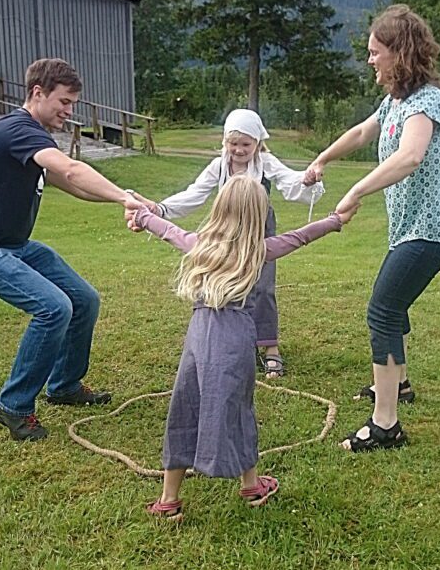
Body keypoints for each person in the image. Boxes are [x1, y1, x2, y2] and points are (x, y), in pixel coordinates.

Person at [126, 175, 354, 521]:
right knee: (236, 410)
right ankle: (251, 485)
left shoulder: (200, 244)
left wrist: (142, 215)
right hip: (234, 339)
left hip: (198, 337)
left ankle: (169, 499)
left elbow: (167, 230)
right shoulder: (259, 251)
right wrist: (336, 220)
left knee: (186, 404)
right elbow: (300, 237)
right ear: (258, 215)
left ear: (220, 208)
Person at [303, 4, 440, 452]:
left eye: (376, 52)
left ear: (401, 54)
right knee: (392, 308)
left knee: (382, 310)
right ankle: (396, 386)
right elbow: (363, 133)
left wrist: (357, 191)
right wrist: (323, 158)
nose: (370, 60)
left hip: (436, 228)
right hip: (414, 227)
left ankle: (386, 426)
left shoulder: (428, 102)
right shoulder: (395, 100)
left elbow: (411, 155)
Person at [0, 58, 145, 442]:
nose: (70, 112)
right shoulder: (19, 130)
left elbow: (71, 184)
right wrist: (124, 195)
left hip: (13, 246)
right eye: (65, 102)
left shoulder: (31, 135)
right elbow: (70, 170)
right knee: (54, 308)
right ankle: (14, 406)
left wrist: (126, 200)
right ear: (38, 93)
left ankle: (64, 386)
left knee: (84, 299)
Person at [127, 108, 323, 379]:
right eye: (233, 144)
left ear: (257, 143)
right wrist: (160, 210)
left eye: (245, 144)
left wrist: (306, 180)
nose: (239, 150)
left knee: (262, 285)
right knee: (220, 283)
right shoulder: (219, 165)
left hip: (258, 228)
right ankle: (228, 339)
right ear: (224, 143)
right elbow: (195, 193)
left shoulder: (265, 162)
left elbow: (290, 180)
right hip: (224, 227)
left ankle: (269, 347)